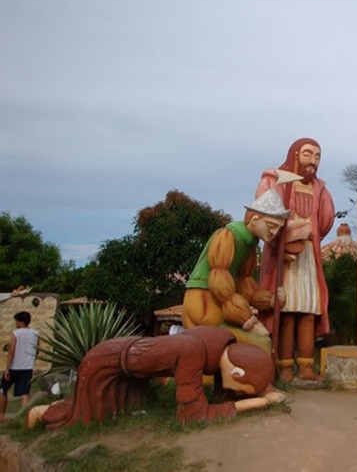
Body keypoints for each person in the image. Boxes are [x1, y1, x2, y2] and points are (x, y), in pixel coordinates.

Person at [27, 326, 282, 430]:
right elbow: (192, 416)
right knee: (82, 418)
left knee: (118, 412)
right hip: (106, 364)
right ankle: (41, 414)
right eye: (241, 389)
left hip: (127, 363)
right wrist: (259, 403)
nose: (238, 393)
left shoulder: (218, 343)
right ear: (236, 373)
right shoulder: (193, 351)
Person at [255, 138, 335, 382]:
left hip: (308, 256)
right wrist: (285, 238)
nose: (313, 161)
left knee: (309, 311)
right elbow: (265, 216)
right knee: (287, 311)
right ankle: (285, 366)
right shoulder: (274, 180)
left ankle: (307, 366)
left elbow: (324, 221)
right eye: (308, 155)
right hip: (284, 258)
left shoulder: (319, 188)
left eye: (318, 156)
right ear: (296, 154)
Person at [182, 185, 292, 357]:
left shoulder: (250, 245)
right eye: (271, 225)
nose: (275, 232)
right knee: (261, 343)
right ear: (255, 219)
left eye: (279, 228)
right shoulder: (227, 236)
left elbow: (244, 283)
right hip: (203, 302)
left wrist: (271, 301)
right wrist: (245, 318)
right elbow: (220, 279)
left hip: (215, 304)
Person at [1, 311, 39, 420]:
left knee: (3, 389)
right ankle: (25, 417)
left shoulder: (16, 333)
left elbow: (11, 352)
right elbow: (37, 350)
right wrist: (31, 360)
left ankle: (1, 416)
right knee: (25, 392)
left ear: (21, 322)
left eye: (16, 321)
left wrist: (7, 369)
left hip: (14, 367)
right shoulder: (35, 333)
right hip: (27, 367)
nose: (15, 323)